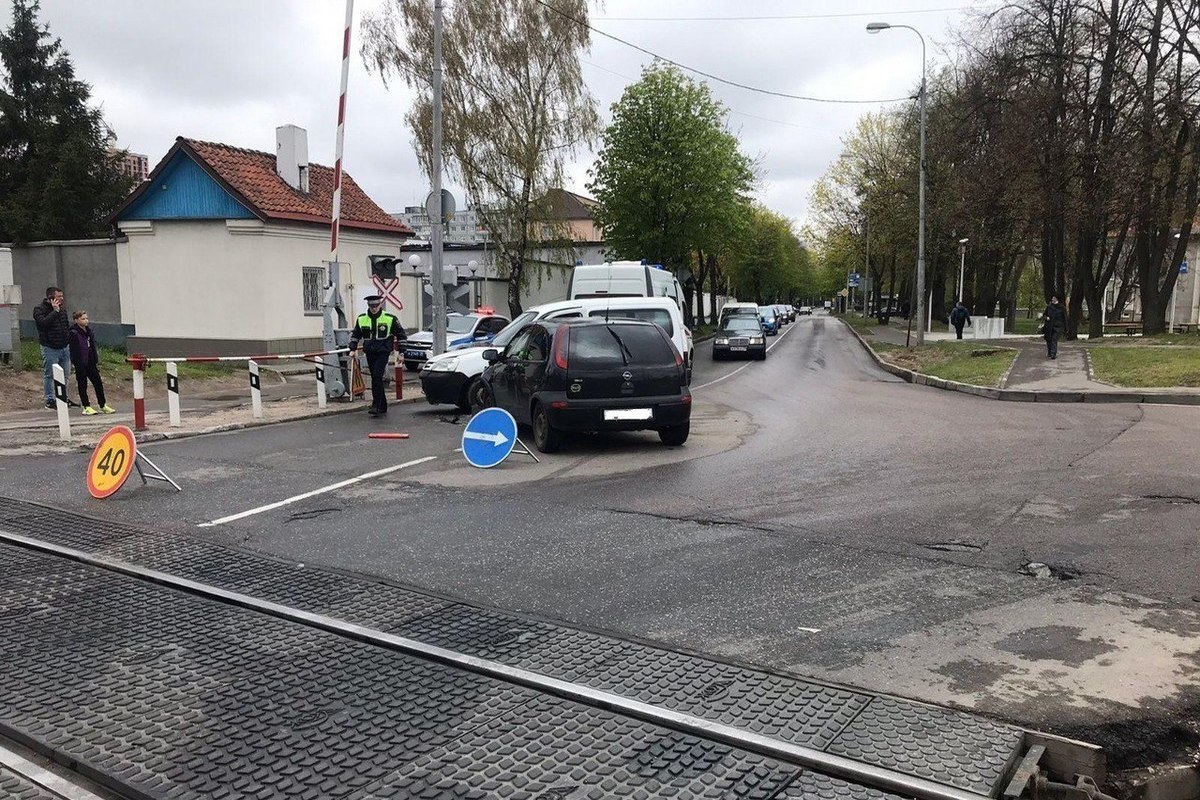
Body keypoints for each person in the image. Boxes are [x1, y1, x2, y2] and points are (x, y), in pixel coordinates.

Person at [349, 295, 405, 416]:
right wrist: (352, 349)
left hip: (383, 352)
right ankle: (382, 405)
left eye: (376, 305)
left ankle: (376, 405)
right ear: (368, 306)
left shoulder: (390, 318)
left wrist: (401, 352)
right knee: (376, 378)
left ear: (380, 305)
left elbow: (401, 335)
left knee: (377, 376)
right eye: (371, 306)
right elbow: (356, 335)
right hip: (370, 352)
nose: (374, 308)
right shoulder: (362, 318)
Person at [32, 286, 78, 409]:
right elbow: (43, 324)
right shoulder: (39, 309)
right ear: (51, 298)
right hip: (50, 347)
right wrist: (54, 311)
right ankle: (50, 399)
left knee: (66, 374)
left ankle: (63, 397)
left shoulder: (62, 310)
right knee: (50, 374)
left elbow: (65, 325)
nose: (62, 299)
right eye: (59, 297)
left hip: (64, 346)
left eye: (62, 296)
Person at [69, 311, 114, 415]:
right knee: (82, 384)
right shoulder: (73, 333)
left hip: (90, 361)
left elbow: (92, 346)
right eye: (83, 319)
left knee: (98, 382)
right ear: (76, 320)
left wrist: (95, 359)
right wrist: (77, 362)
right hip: (80, 362)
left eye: (86, 318)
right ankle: (86, 406)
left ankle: (102, 405)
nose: (86, 321)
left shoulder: (89, 331)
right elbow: (74, 350)